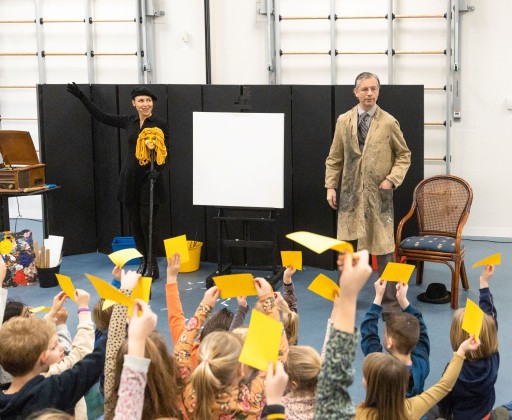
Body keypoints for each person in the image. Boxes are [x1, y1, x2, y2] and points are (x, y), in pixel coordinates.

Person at [325, 71, 411, 312]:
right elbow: (334, 157)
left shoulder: (388, 122)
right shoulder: (344, 121)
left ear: (378, 91)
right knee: (349, 248)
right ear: (356, 92)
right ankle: (347, 298)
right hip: (351, 193)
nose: (369, 93)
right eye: (364, 89)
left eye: (373, 88)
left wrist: (392, 179)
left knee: (384, 249)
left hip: (378, 195)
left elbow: (404, 155)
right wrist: (331, 186)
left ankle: (390, 303)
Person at [66, 82, 170, 279]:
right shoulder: (128, 121)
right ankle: (143, 262)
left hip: (150, 181)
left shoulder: (159, 124)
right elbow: (101, 116)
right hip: (129, 180)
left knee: (148, 224)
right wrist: (81, 96)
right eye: (141, 100)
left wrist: (158, 170)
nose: (145, 104)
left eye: (148, 100)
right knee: (136, 224)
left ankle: (153, 265)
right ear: (133, 103)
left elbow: (166, 151)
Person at [0, 296, 107, 418]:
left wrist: (51, 315)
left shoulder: (5, 399)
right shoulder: (53, 389)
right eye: (54, 346)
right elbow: (87, 357)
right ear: (44, 357)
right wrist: (83, 310)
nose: (61, 347)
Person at [432, 264, 500, 419]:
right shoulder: (493, 359)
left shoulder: (453, 370)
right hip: (485, 414)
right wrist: (483, 282)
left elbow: (444, 401)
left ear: (456, 338)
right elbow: (490, 320)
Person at [360, 278, 430, 397]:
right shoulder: (422, 362)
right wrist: (403, 301)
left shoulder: (380, 368)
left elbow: (369, 336)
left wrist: (378, 298)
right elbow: (422, 331)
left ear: (390, 342)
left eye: (385, 333)